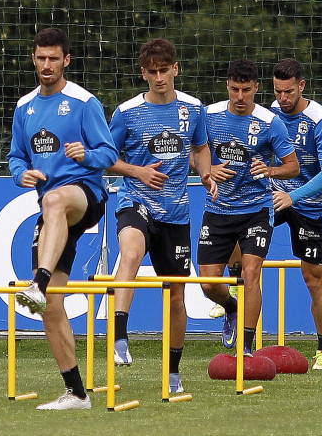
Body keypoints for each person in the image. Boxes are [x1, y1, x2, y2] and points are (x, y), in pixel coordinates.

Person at [8, 28, 119, 410]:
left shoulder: (84, 103)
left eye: (54, 59)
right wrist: (19, 173)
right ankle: (76, 393)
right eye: (40, 58)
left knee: (54, 200)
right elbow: (16, 156)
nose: (46, 65)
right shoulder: (25, 107)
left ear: (66, 61)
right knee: (51, 308)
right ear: (33, 59)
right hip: (52, 209)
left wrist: (86, 156)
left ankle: (36, 282)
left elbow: (108, 153)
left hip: (84, 196)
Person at [106, 38, 217, 393]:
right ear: (143, 74)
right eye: (152, 72)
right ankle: (120, 338)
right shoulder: (126, 113)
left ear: (175, 70)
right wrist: (138, 172)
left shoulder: (193, 108)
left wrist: (206, 172)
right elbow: (106, 157)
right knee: (131, 252)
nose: (158, 78)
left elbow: (200, 146)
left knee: (176, 295)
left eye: (164, 70)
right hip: (134, 200)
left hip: (176, 212)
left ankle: (172, 372)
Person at [198, 58, 299, 356]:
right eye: (234, 89)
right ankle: (231, 306)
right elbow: (195, 154)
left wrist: (269, 171)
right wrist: (209, 170)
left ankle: (246, 346)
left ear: (256, 88)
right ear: (227, 86)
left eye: (246, 90)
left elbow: (292, 166)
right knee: (208, 282)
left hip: (256, 208)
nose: (239, 97)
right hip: (218, 207)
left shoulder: (271, 123)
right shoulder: (209, 116)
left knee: (251, 272)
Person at [268, 58, 322, 370]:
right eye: (278, 92)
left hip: (309, 204)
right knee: (237, 224)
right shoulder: (270, 113)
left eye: (288, 92)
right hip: (275, 194)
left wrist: (292, 196)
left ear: (301, 87)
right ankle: (232, 287)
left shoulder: (319, 120)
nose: (283, 98)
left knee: (313, 279)